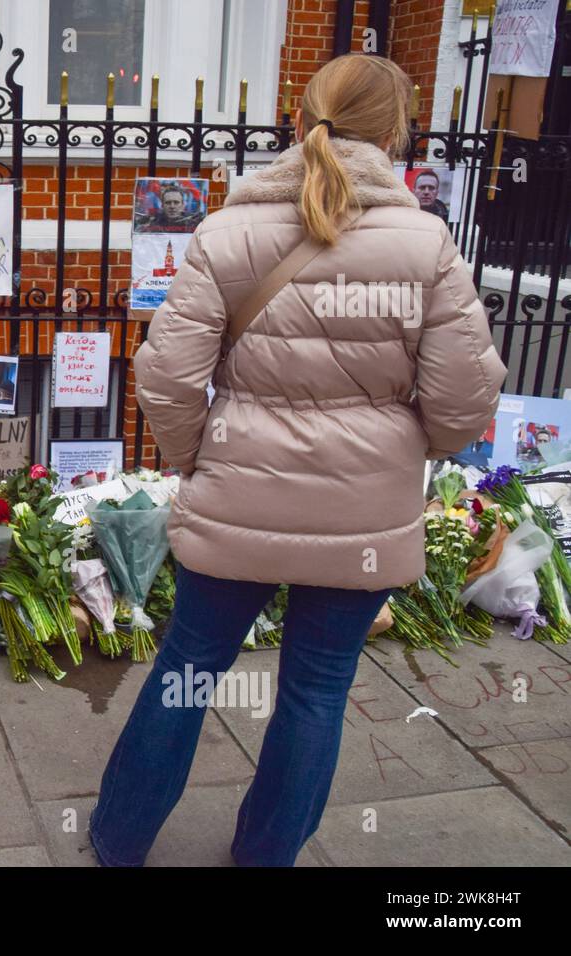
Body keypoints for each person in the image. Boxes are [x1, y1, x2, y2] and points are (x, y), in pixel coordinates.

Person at [90, 53, 505, 867]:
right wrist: (413, 448)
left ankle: (118, 840)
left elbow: (166, 375)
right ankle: (265, 856)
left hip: (240, 497)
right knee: (318, 689)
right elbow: (462, 403)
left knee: (189, 670)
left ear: (297, 119)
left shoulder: (228, 231)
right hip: (364, 517)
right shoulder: (426, 246)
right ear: (396, 134)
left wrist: (196, 460)